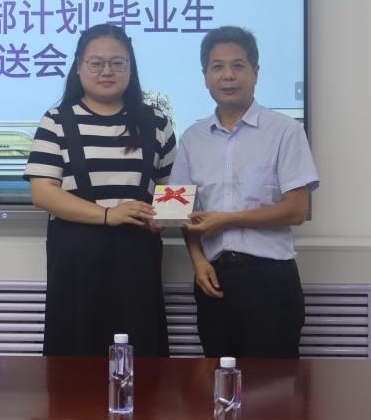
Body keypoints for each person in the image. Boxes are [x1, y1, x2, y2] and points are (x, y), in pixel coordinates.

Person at [24, 24, 176, 356]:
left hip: (137, 256)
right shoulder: (56, 120)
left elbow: (169, 187)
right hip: (76, 257)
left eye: (118, 63)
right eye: (96, 63)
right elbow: (43, 193)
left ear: (130, 68)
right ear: (79, 67)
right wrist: (108, 215)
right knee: (76, 355)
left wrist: (164, 216)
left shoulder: (156, 121)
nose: (107, 71)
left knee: (141, 352)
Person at [169, 26, 319, 359]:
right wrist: (197, 260)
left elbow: (296, 210)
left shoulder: (285, 131)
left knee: (274, 384)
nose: (228, 75)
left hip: (270, 278)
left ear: (255, 71)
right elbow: (182, 211)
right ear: (205, 76)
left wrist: (226, 220)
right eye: (217, 67)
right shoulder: (192, 137)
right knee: (217, 379)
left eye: (238, 65)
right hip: (213, 277)